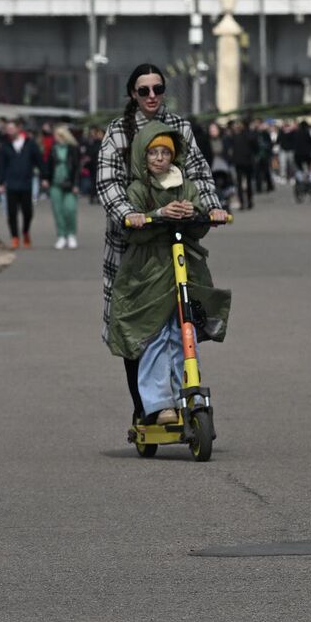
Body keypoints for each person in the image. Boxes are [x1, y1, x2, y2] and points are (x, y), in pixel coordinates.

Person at [95, 65, 226, 403]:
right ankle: (145, 407)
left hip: (175, 239)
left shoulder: (180, 127)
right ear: (132, 95)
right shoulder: (117, 132)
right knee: (134, 324)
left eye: (157, 88)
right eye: (144, 90)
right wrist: (131, 215)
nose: (151, 96)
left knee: (178, 320)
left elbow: (198, 173)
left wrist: (211, 208)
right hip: (133, 242)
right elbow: (108, 183)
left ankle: (183, 395)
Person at [109, 123, 231, 423]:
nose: (160, 158)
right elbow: (132, 232)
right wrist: (153, 216)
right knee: (155, 335)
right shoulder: (138, 189)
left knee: (183, 330)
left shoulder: (186, 184)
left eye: (165, 152)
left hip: (184, 266)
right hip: (149, 269)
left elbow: (201, 223)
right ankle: (160, 403)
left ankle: (186, 393)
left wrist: (203, 214)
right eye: (153, 152)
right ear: (142, 156)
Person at [0, 119, 43, 249]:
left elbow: (39, 161)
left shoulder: (30, 143)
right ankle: (14, 237)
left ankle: (26, 232)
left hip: (26, 183)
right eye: (8, 129)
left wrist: (44, 177)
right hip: (11, 183)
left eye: (12, 128)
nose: (9, 131)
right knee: (12, 213)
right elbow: (2, 166)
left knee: (28, 212)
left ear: (19, 128)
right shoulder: (5, 145)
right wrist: (0, 183)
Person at [45, 126, 82, 249]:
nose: (55, 138)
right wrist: (46, 179)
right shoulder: (53, 149)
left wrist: (76, 184)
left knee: (70, 209)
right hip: (55, 183)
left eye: (57, 136)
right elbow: (49, 165)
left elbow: (77, 168)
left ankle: (71, 234)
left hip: (70, 184)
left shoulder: (73, 149)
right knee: (58, 211)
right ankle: (61, 235)